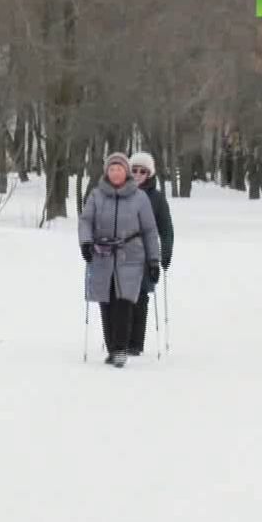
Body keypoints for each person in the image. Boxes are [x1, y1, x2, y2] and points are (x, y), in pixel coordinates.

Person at [78, 151, 161, 367]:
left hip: (131, 254)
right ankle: (112, 346)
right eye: (112, 169)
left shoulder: (139, 197)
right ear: (107, 172)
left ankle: (121, 349)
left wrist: (154, 261)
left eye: (120, 169)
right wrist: (86, 243)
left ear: (126, 172)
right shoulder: (96, 195)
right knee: (107, 301)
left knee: (125, 301)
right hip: (102, 254)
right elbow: (85, 221)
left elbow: (150, 230)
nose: (116, 173)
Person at [128, 152, 174, 355]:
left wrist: (166, 253)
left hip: (147, 255)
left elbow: (166, 229)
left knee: (140, 297)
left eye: (142, 171)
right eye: (134, 170)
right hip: (121, 253)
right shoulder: (120, 194)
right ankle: (119, 339)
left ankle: (136, 343)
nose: (138, 174)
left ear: (149, 174)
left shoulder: (156, 198)